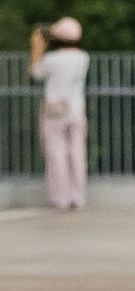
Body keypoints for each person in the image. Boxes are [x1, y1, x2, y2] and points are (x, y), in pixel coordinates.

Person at [34, 16, 87, 211]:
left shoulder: (52, 59)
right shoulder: (83, 58)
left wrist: (37, 46)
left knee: (57, 154)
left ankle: (60, 198)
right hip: (76, 110)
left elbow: (35, 72)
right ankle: (77, 197)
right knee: (77, 153)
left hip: (55, 111)